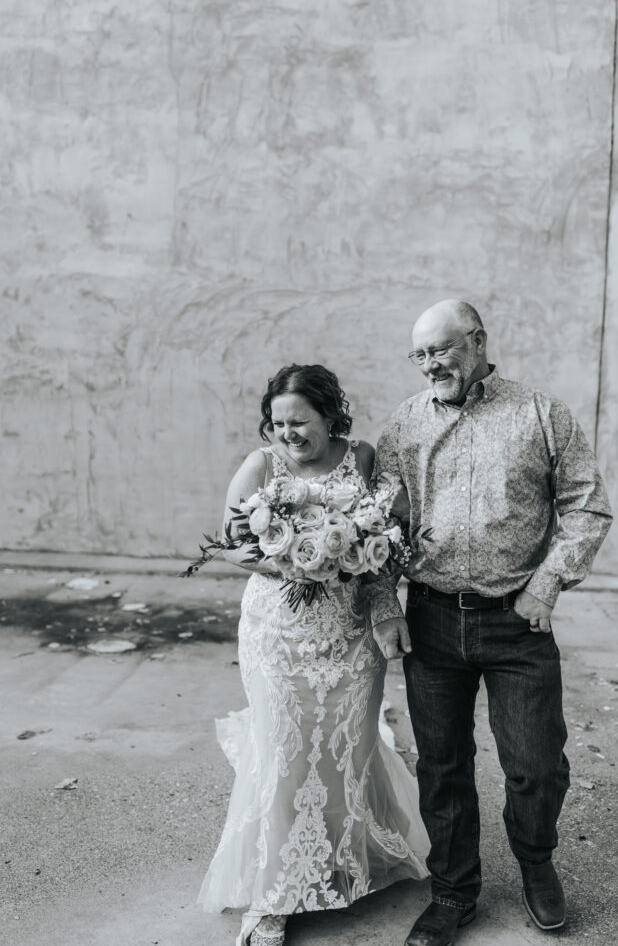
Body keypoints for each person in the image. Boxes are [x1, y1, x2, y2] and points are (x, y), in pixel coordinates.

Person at [365, 300, 613, 946]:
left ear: (475, 342)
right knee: (442, 766)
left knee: (535, 764)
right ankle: (453, 893)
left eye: (438, 350)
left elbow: (586, 506)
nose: (427, 366)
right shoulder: (404, 423)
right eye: (417, 355)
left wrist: (547, 581)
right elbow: (375, 526)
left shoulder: (538, 413)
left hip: (516, 624)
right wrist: (384, 604)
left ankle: (535, 865)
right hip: (432, 618)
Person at [198, 363, 430, 946]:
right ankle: (271, 897)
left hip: (351, 639)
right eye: (277, 423)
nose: (287, 434)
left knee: (343, 752)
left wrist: (383, 611)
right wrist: (290, 560)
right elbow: (229, 544)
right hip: (277, 636)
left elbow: (384, 550)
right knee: (284, 757)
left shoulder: (366, 458)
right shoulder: (260, 465)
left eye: (299, 422)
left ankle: (339, 863)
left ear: (330, 416)